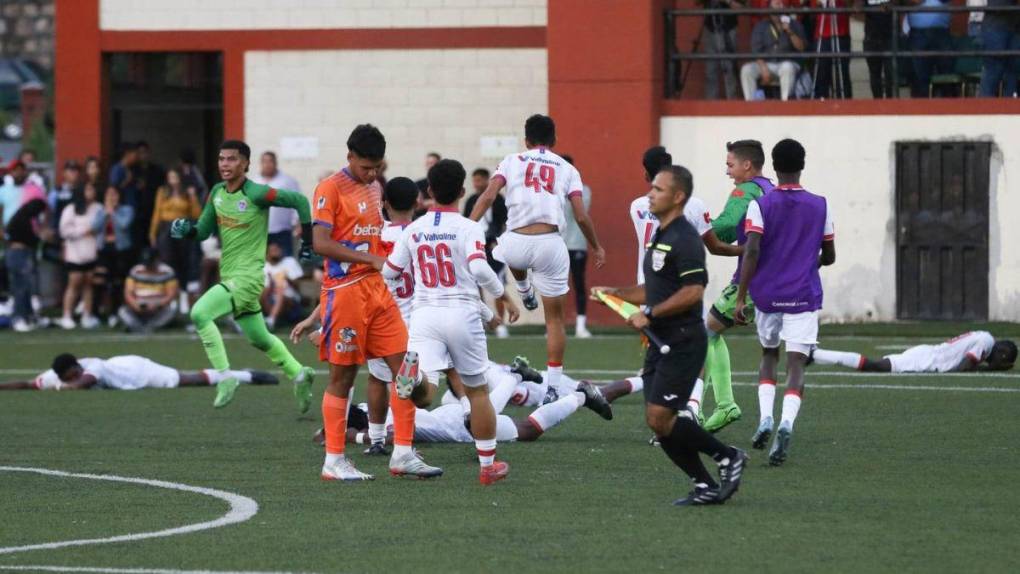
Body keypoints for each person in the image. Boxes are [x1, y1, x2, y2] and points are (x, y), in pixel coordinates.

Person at [593, 165, 748, 507]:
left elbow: (694, 291)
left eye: (658, 190)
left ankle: (727, 456)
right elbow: (654, 288)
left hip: (682, 341)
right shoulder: (660, 235)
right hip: (660, 340)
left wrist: (649, 313)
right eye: (651, 188)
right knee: (657, 421)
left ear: (678, 197)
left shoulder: (685, 239)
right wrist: (614, 292)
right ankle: (705, 484)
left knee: (661, 418)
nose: (650, 194)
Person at [310, 124, 440, 481]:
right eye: (366, 166)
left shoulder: (375, 186)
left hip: (377, 291)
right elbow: (320, 243)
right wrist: (370, 261)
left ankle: (403, 454)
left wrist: (378, 261)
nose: (372, 173)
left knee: (407, 369)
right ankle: (333, 460)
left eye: (377, 167)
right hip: (346, 291)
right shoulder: (330, 188)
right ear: (349, 156)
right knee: (344, 375)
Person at [384, 158, 521, 485]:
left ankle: (414, 381)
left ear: (428, 191)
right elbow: (477, 268)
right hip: (461, 313)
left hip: (424, 314)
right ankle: (487, 466)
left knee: (426, 392)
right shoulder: (469, 228)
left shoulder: (414, 229)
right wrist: (503, 296)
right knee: (477, 392)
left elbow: (390, 272)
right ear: (461, 191)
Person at [169, 139, 316, 411]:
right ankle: (299, 374)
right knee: (259, 338)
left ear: (246, 163)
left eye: (232, 159)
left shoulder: (257, 193)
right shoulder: (216, 192)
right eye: (222, 159)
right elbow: (203, 231)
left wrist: (307, 241)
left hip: (248, 279)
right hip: (230, 277)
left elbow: (298, 200)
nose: (225, 164)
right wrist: (186, 230)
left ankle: (225, 378)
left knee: (199, 313)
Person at [469, 114, 606, 400]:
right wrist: (596, 246)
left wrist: (466, 227)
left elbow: (488, 196)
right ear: (554, 140)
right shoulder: (567, 168)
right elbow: (581, 215)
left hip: (516, 240)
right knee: (554, 320)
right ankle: (553, 387)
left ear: (526, 140)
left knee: (505, 252)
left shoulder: (511, 160)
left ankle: (522, 288)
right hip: (550, 243)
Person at [734, 138, 835, 466]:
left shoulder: (761, 204)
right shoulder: (821, 204)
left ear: (773, 167)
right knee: (796, 364)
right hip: (803, 295)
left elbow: (751, 250)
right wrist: (809, 263)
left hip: (767, 296)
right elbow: (829, 255)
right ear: (802, 164)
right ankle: (786, 424)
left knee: (768, 354)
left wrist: (740, 297)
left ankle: (764, 418)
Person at [629, 145, 744, 428]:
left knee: (658, 353)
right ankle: (690, 408)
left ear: (646, 174)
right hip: (682, 287)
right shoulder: (693, 205)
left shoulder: (636, 205)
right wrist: (747, 251)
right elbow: (714, 246)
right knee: (692, 347)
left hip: (649, 289)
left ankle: (666, 416)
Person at [331, 365, 612, 446]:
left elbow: (387, 435)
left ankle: (582, 396)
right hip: (445, 418)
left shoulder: (378, 422)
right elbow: (327, 430)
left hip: (456, 427)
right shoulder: (371, 409)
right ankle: (515, 377)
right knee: (487, 405)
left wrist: (354, 437)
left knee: (527, 429)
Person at [701, 140, 775, 433]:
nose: (727, 171)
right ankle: (729, 407)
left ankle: (719, 406)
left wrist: (698, 227)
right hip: (778, 280)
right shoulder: (770, 188)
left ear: (747, 165)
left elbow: (727, 226)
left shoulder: (746, 191)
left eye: (730, 165)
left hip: (753, 279)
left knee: (703, 334)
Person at [0, 353, 277, 391]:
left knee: (188, 380)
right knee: (187, 380)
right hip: (124, 371)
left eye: (68, 376)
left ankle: (247, 375)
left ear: (76, 368)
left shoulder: (91, 368)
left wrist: (64, 388)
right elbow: (26, 383)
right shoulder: (55, 377)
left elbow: (83, 384)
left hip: (135, 369)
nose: (65, 381)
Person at [811, 332, 1017, 372]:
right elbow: (966, 364)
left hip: (929, 355)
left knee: (877, 366)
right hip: (927, 360)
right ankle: (817, 354)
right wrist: (987, 371)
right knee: (876, 366)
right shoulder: (987, 340)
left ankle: (817, 355)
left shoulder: (985, 338)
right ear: (1003, 352)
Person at [463, 167, 510, 338]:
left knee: (498, 284)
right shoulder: (470, 201)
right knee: (475, 284)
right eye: (474, 181)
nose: (476, 184)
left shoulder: (498, 200)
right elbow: (466, 222)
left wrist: (498, 241)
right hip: (476, 246)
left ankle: (501, 323)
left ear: (487, 180)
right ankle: (482, 320)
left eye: (479, 180)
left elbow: (505, 223)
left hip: (493, 246)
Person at [2, 191, 52, 332]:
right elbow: (30, 239)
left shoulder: (20, 216)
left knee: (23, 288)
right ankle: (19, 318)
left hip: (16, 254)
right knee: (20, 288)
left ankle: (27, 316)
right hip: (19, 254)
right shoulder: (23, 219)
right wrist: (42, 237)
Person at [741, 0, 808, 101]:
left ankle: (786, 106)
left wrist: (790, 32)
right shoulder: (761, 26)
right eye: (777, 4)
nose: (780, 6)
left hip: (788, 63)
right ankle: (751, 107)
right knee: (746, 70)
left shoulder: (794, 24)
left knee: (787, 67)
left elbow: (802, 48)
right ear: (770, 8)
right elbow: (756, 51)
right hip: (767, 64)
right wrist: (763, 67)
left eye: (781, 4)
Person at [58, 182, 102, 330]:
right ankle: (67, 315)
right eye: (88, 188)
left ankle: (87, 315)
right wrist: (83, 231)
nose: (91, 191)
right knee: (74, 284)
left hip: (91, 251)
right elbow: (64, 230)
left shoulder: (98, 208)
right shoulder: (71, 210)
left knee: (88, 284)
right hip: (75, 252)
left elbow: (99, 227)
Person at [559, 154, 594, 339]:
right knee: (556, 287)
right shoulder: (551, 190)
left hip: (577, 244)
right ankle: (557, 325)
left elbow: (580, 212)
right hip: (557, 245)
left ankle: (581, 325)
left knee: (579, 284)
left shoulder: (583, 189)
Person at [93, 186, 134, 326]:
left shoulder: (126, 210)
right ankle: (96, 313)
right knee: (100, 281)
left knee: (118, 282)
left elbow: (124, 225)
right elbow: (94, 227)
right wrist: (106, 213)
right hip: (104, 249)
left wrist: (113, 213)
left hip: (121, 250)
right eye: (109, 195)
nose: (112, 198)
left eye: (114, 194)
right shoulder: (100, 211)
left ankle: (116, 313)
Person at [252, 151, 302, 257]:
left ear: (275, 163)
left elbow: (297, 203)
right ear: (260, 164)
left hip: (282, 231)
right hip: (259, 232)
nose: (267, 164)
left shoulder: (287, 181)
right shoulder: (253, 182)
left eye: (270, 161)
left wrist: (298, 223)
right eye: (264, 162)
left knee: (286, 263)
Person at [118, 249, 180, 333]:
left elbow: (171, 294)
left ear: (157, 260)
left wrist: (158, 305)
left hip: (159, 308)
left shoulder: (167, 272)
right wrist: (135, 306)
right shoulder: (135, 271)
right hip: (138, 307)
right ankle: (135, 325)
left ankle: (153, 326)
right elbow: (128, 293)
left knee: (173, 308)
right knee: (122, 311)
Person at [907, 0, 953, 97]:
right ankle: (920, 109)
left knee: (946, 74)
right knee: (919, 76)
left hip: (941, 32)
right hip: (918, 34)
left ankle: (947, 108)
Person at [811, 0, 853, 99]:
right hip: (822, 34)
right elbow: (812, 10)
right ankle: (821, 102)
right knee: (822, 73)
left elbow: (851, 6)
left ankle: (845, 104)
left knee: (842, 73)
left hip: (841, 32)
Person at [702, 0, 742, 100]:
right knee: (710, 70)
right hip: (710, 28)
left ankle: (732, 102)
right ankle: (711, 104)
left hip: (728, 28)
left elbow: (740, 7)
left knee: (729, 68)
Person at [979, 0, 1020, 97]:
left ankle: (1010, 107)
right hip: (996, 26)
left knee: (1012, 70)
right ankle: (985, 107)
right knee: (994, 69)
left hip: (1012, 26)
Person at [132, 141, 166, 252]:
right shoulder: (133, 170)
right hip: (137, 211)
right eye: (140, 153)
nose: (143, 155)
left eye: (145, 152)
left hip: (154, 208)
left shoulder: (157, 170)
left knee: (154, 239)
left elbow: (163, 188)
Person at [261, 242, 304, 331]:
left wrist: (286, 278)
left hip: (291, 299)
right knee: (263, 294)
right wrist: (272, 284)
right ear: (267, 254)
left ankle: (271, 320)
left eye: (278, 250)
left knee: (280, 289)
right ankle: (271, 320)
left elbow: (298, 285)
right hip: (271, 299)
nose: (277, 252)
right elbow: (264, 292)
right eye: (273, 250)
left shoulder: (289, 262)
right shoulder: (264, 267)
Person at [861, 0, 898, 98]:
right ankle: (877, 104)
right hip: (871, 36)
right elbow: (857, 6)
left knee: (890, 72)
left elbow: (899, 3)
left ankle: (890, 104)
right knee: (874, 73)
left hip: (889, 35)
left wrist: (891, 4)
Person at [0, 160, 46, 227]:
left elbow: (46, 210)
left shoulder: (35, 189)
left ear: (25, 172)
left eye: (22, 170)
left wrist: (44, 227)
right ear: (11, 173)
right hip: (8, 233)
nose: (19, 172)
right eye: (15, 170)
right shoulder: (3, 190)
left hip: (30, 232)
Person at [49, 160, 82, 232]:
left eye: (77, 170)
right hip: (59, 231)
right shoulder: (56, 192)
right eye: (71, 170)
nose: (74, 173)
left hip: (78, 232)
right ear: (64, 173)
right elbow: (50, 212)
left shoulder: (83, 191)